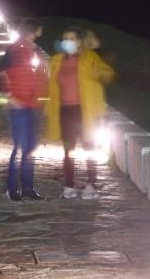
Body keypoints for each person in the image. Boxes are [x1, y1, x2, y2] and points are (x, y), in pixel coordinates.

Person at [45, 28, 116, 199]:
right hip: (65, 111)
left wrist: (101, 74)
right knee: (68, 150)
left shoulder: (89, 58)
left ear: (78, 42)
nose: (67, 42)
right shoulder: (56, 61)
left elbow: (109, 74)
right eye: (65, 39)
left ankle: (91, 185)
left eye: (71, 39)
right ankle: (69, 186)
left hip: (85, 111)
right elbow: (50, 84)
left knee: (89, 148)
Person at [0, 18, 49, 202]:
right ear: (33, 30)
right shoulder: (16, 50)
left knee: (30, 148)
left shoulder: (37, 52)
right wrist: (10, 96)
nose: (41, 32)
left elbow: (40, 77)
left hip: (35, 106)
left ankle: (28, 187)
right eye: (39, 29)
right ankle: (12, 189)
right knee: (20, 146)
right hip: (19, 107)